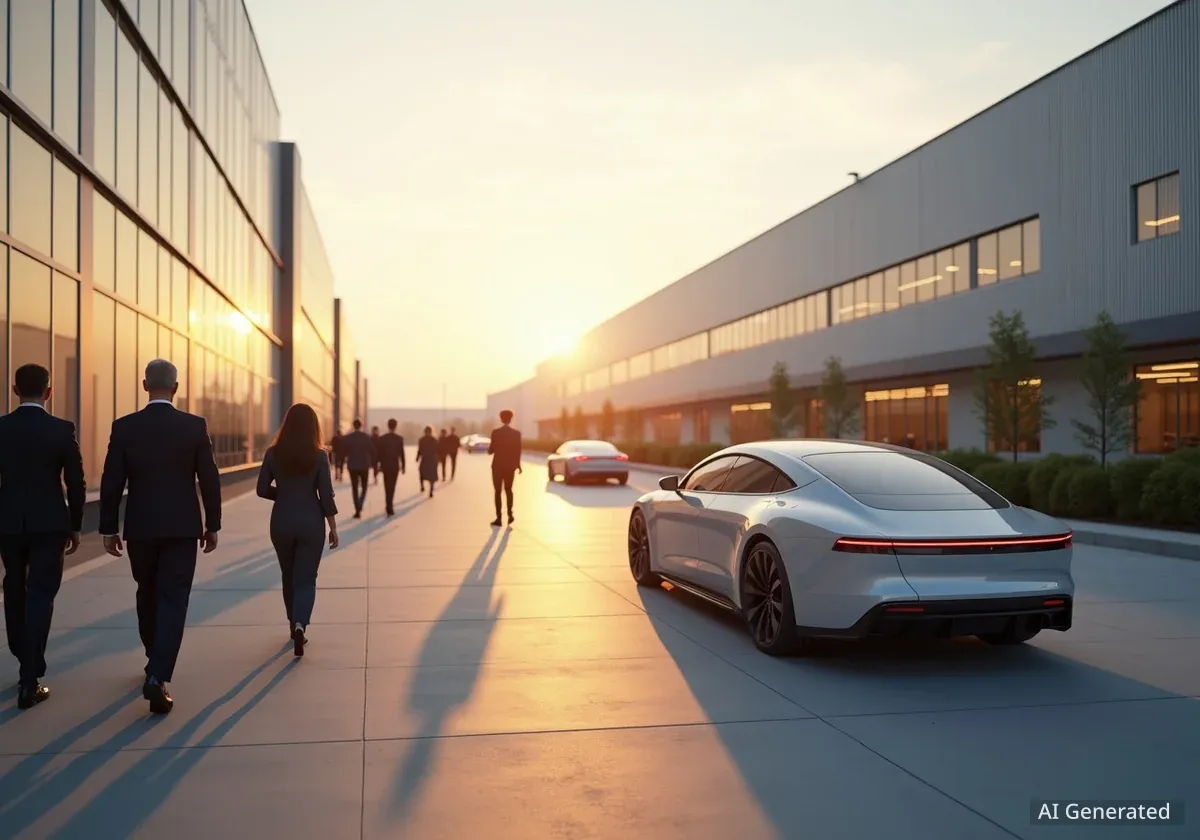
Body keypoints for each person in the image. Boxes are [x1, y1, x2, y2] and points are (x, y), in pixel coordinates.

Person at [100, 360, 221, 715]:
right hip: (182, 528)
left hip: (141, 528)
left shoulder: (124, 427)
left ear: (144, 385)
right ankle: (158, 673)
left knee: (147, 592)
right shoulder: (194, 426)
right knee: (173, 598)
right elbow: (209, 478)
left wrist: (108, 527)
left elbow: (111, 481)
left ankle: (154, 658)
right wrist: (212, 524)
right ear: (176, 387)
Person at [0, 364, 86, 710]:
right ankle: (30, 676)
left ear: (15, 390)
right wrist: (76, 524)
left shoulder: (1, 428)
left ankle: (23, 653)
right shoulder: (62, 430)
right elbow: (76, 482)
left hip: (8, 523)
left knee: (14, 587)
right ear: (49, 393)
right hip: (50, 524)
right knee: (40, 594)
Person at [256, 404, 339, 657]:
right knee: (306, 577)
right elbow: (326, 495)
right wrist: (333, 527)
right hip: (311, 522)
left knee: (288, 574)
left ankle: (293, 625)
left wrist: (284, 495)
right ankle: (302, 622)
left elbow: (261, 489)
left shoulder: (272, 454)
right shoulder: (319, 456)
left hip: (281, 520)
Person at [488, 410, 523, 527]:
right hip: (510, 466)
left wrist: (492, 449)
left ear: (501, 419)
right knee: (509, 490)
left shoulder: (496, 433)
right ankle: (510, 514)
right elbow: (518, 451)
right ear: (511, 419)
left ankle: (499, 518)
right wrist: (518, 465)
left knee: (497, 491)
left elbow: (491, 450)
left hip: (497, 466)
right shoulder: (516, 434)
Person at [341, 419, 375, 518]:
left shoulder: (348, 438)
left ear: (353, 426)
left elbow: (344, 452)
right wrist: (373, 462)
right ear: (361, 426)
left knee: (354, 487)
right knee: (364, 487)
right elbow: (372, 450)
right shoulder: (366, 437)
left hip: (352, 466)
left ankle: (357, 509)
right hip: (364, 465)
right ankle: (360, 503)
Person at [376, 419, 407, 515]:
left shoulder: (382, 438)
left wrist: (378, 465)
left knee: (386, 486)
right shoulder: (399, 438)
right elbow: (402, 454)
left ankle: (388, 505)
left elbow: (379, 453)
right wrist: (403, 466)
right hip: (394, 465)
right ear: (396, 426)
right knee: (392, 486)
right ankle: (390, 506)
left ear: (388, 426)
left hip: (385, 465)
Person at [415, 426, 439, 498]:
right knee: (432, 476)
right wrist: (438, 459)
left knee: (422, 472)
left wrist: (417, 457)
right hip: (432, 459)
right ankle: (431, 490)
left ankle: (422, 485)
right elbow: (437, 450)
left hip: (425, 458)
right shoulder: (434, 440)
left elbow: (419, 449)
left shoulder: (421, 440)